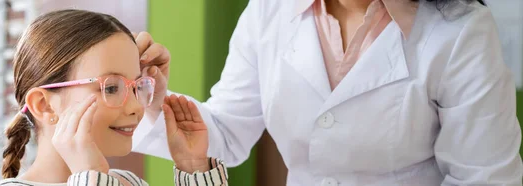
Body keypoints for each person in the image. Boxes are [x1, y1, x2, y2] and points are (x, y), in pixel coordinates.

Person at [132, 0, 523, 185]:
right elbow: (226, 134)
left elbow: (485, 179)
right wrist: (153, 100)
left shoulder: (460, 30)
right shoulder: (269, 12)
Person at [0, 9, 228, 186]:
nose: (136, 106)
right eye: (111, 88)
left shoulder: (128, 182)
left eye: (137, 86)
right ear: (44, 105)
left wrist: (193, 166)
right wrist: (90, 177)